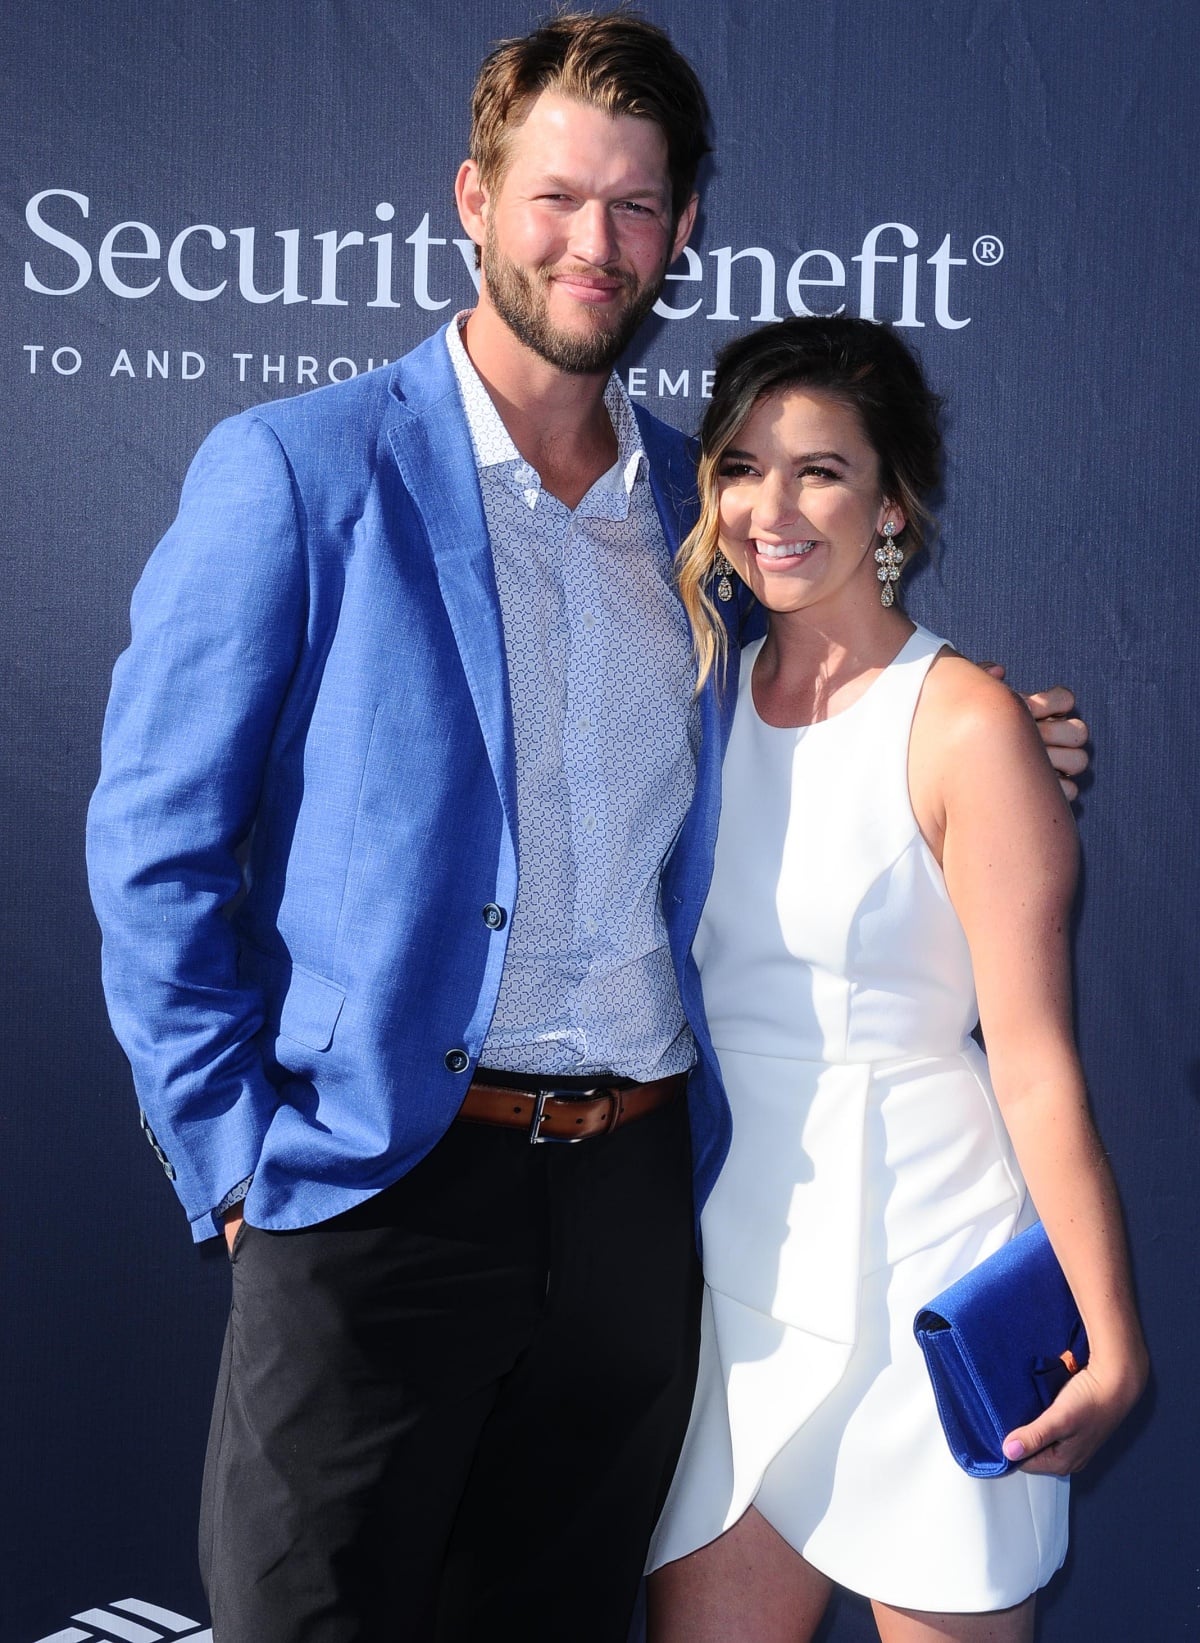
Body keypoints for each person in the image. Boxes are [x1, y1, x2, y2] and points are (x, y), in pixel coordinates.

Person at [84, 12, 1089, 1641]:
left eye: (633, 206)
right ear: (471, 199)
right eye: (556, 197)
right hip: (372, 1195)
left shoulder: (707, 513)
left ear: (681, 231)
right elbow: (153, 847)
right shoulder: (297, 470)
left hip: (636, 1214)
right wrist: (240, 1164)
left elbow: (834, 723)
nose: (592, 241)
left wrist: (994, 738)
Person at [645, 316, 1147, 1643]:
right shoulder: (699, 692)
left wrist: (1108, 1329)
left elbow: (1034, 1061)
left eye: (821, 469)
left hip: (927, 1277)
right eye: (742, 466)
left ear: (893, 504)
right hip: (733, 1289)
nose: (773, 505)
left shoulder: (967, 725)